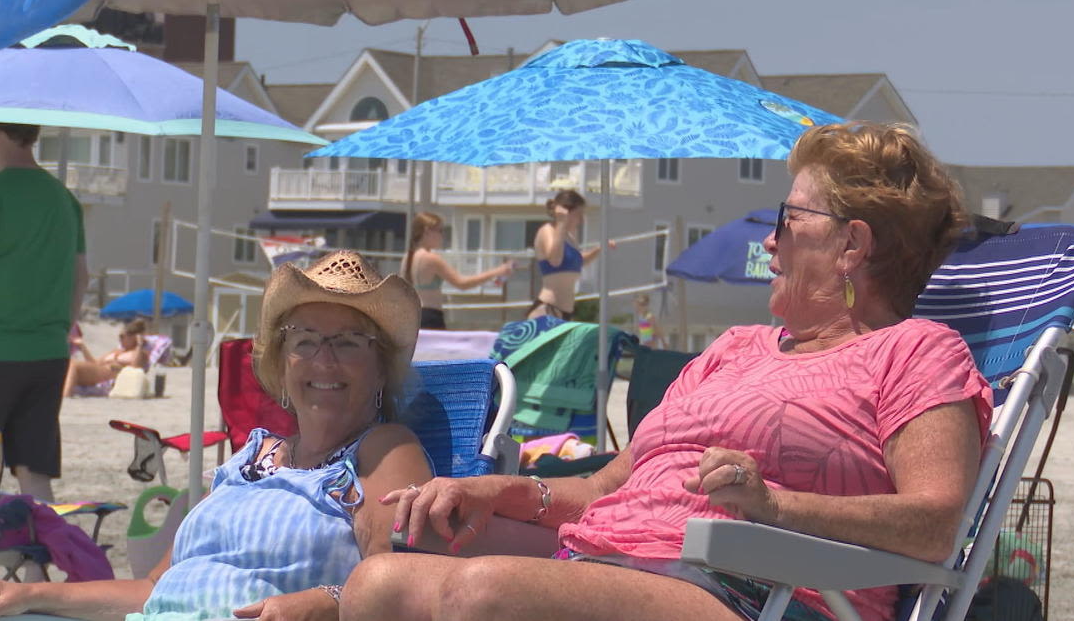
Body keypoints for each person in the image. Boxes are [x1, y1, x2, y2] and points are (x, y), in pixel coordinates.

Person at [340, 122, 993, 621]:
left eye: (788, 222)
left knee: (481, 596)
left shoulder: (915, 351)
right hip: (605, 554)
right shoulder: (734, 347)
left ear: (852, 245)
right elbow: (600, 492)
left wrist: (775, 505)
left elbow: (937, 525)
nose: (770, 242)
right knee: (378, 584)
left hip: (754, 589)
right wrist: (493, 491)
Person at [0, 251, 434, 621]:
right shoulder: (246, 460)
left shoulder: (382, 450)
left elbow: (406, 584)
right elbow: (153, 588)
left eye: (348, 342)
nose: (323, 362)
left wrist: (329, 602)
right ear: (282, 363)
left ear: (380, 369)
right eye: (305, 340)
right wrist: (26, 592)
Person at [0, 121, 88, 503]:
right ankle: (35, 565)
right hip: (48, 353)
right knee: (34, 471)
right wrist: (59, 330)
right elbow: (81, 278)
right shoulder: (64, 198)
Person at [403, 212, 514, 330]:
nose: (442, 236)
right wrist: (496, 271)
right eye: (440, 231)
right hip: (430, 316)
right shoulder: (431, 258)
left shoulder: (407, 257)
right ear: (427, 231)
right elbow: (462, 283)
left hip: (412, 317)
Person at [526, 190, 614, 321]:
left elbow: (578, 262)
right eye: (578, 214)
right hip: (548, 309)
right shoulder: (547, 230)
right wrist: (561, 223)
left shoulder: (569, 238)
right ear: (567, 212)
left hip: (566, 312)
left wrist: (599, 249)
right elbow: (555, 260)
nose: (581, 220)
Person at [61, 319, 151, 397]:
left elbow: (135, 369)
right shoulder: (116, 351)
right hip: (98, 371)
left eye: (122, 336)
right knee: (68, 363)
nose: (120, 339)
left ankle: (66, 396)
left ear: (134, 337)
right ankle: (63, 393)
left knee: (73, 365)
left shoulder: (140, 353)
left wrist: (139, 344)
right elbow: (95, 363)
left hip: (108, 374)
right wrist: (82, 346)